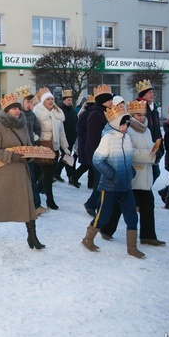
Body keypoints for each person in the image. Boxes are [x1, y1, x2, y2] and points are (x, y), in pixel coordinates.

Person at [81, 101, 145, 259]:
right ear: (116, 123)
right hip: (109, 186)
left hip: (125, 185)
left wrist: (130, 172)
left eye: (127, 124)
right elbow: (97, 160)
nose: (126, 127)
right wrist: (110, 174)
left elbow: (128, 158)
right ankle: (88, 239)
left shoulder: (127, 138)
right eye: (123, 124)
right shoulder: (108, 138)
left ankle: (132, 247)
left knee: (132, 215)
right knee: (103, 215)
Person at [0, 93, 45, 249]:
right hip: (3, 171)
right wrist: (13, 156)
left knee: (27, 202)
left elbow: (28, 145)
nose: (17, 111)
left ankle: (32, 237)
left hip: (21, 171)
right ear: (6, 111)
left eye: (18, 108)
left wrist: (32, 155)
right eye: (13, 109)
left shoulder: (23, 125)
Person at [126, 99, 165, 246]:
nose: (141, 117)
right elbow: (131, 153)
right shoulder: (128, 131)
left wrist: (156, 152)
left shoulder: (147, 130)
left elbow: (149, 149)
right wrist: (150, 155)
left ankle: (148, 236)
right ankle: (106, 229)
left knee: (148, 205)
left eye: (142, 114)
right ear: (131, 115)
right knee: (123, 206)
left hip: (146, 175)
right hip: (135, 175)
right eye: (138, 115)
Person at [33, 88, 71, 210]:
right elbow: (33, 128)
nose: (50, 101)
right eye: (47, 99)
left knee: (47, 172)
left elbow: (62, 133)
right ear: (43, 101)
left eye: (52, 99)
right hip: (43, 146)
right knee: (48, 173)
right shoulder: (38, 113)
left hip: (54, 146)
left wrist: (65, 147)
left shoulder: (57, 114)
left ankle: (37, 190)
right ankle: (50, 200)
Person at [82, 85, 114, 216]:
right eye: (109, 100)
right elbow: (93, 137)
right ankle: (93, 204)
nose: (111, 102)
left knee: (101, 181)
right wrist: (99, 154)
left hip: (106, 153)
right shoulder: (96, 114)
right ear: (102, 101)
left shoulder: (106, 113)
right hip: (98, 154)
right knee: (102, 180)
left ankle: (92, 203)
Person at [19, 90, 44, 214]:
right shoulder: (16, 115)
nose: (29, 104)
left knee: (31, 178)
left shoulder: (32, 115)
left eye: (31, 102)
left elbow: (37, 129)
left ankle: (36, 204)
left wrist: (36, 136)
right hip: (18, 152)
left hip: (30, 150)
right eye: (27, 102)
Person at [136, 79, 164, 183]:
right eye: (149, 92)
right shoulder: (139, 107)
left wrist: (160, 143)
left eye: (153, 92)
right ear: (143, 95)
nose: (152, 94)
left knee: (154, 173)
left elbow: (157, 128)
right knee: (151, 173)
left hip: (154, 145)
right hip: (144, 146)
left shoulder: (154, 109)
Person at [69, 93, 95, 189]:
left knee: (91, 164)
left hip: (89, 142)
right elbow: (79, 129)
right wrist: (86, 139)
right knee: (87, 163)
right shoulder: (85, 114)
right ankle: (74, 177)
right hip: (85, 143)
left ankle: (91, 183)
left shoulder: (90, 113)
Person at [54, 89, 78, 183]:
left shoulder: (73, 111)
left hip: (72, 137)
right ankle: (68, 175)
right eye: (68, 100)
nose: (70, 102)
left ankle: (59, 173)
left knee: (67, 156)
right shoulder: (60, 111)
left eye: (71, 100)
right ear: (63, 101)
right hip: (64, 137)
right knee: (66, 156)